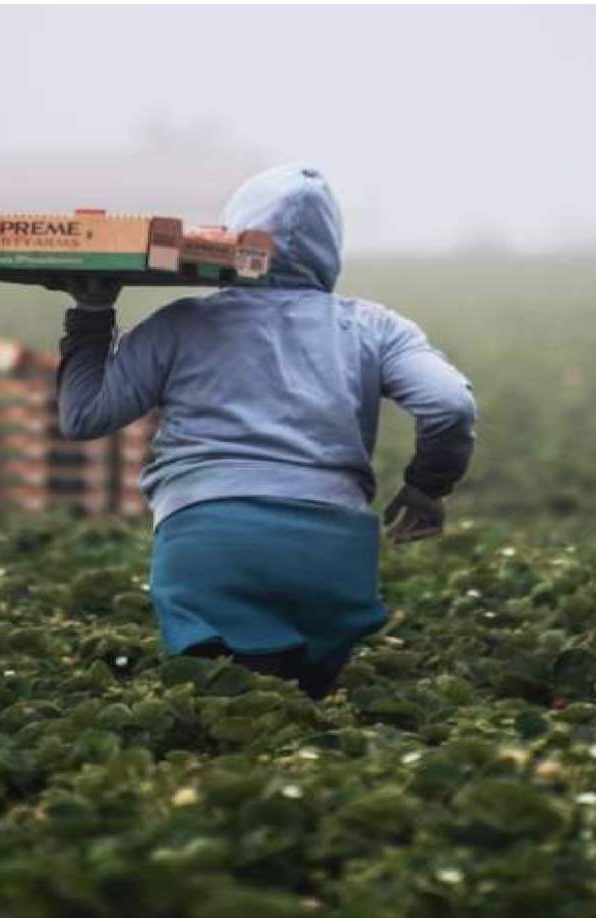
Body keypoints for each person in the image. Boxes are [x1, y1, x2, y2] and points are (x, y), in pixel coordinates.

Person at [53, 164, 477, 700]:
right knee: (306, 722)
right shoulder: (375, 327)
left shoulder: (180, 323)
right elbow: (449, 404)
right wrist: (427, 486)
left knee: (221, 716)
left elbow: (84, 415)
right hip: (330, 551)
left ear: (234, 237)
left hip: (206, 542)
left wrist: (91, 313)